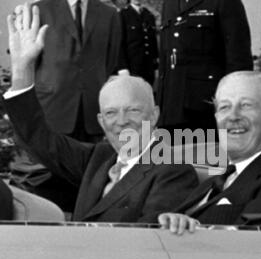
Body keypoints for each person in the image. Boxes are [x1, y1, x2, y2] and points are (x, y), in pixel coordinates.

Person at [2, 4, 198, 223]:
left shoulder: (173, 170)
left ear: (154, 116)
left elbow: (149, 239)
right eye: (111, 113)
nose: (121, 122)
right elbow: (39, 139)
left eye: (132, 110)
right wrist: (22, 68)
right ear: (101, 122)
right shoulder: (98, 159)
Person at [159, 71, 261, 235]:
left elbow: (247, 244)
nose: (233, 116)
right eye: (225, 107)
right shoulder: (218, 180)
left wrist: (193, 228)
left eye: (246, 105)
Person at [157, 0, 254, 137]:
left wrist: (233, 105)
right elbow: (166, 57)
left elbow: (239, 59)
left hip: (205, 109)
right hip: (171, 107)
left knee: (206, 156)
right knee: (172, 157)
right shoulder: (170, 3)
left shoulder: (225, 3)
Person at [33, 0, 125, 143]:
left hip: (92, 108)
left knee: (92, 163)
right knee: (53, 164)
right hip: (52, 107)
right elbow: (30, 61)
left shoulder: (109, 14)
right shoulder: (39, 10)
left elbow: (111, 58)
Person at [120, 0, 159, 86]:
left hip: (148, 67)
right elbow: (120, 43)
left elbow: (153, 42)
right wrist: (123, 67)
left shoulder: (149, 15)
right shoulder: (123, 15)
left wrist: (156, 66)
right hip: (132, 67)